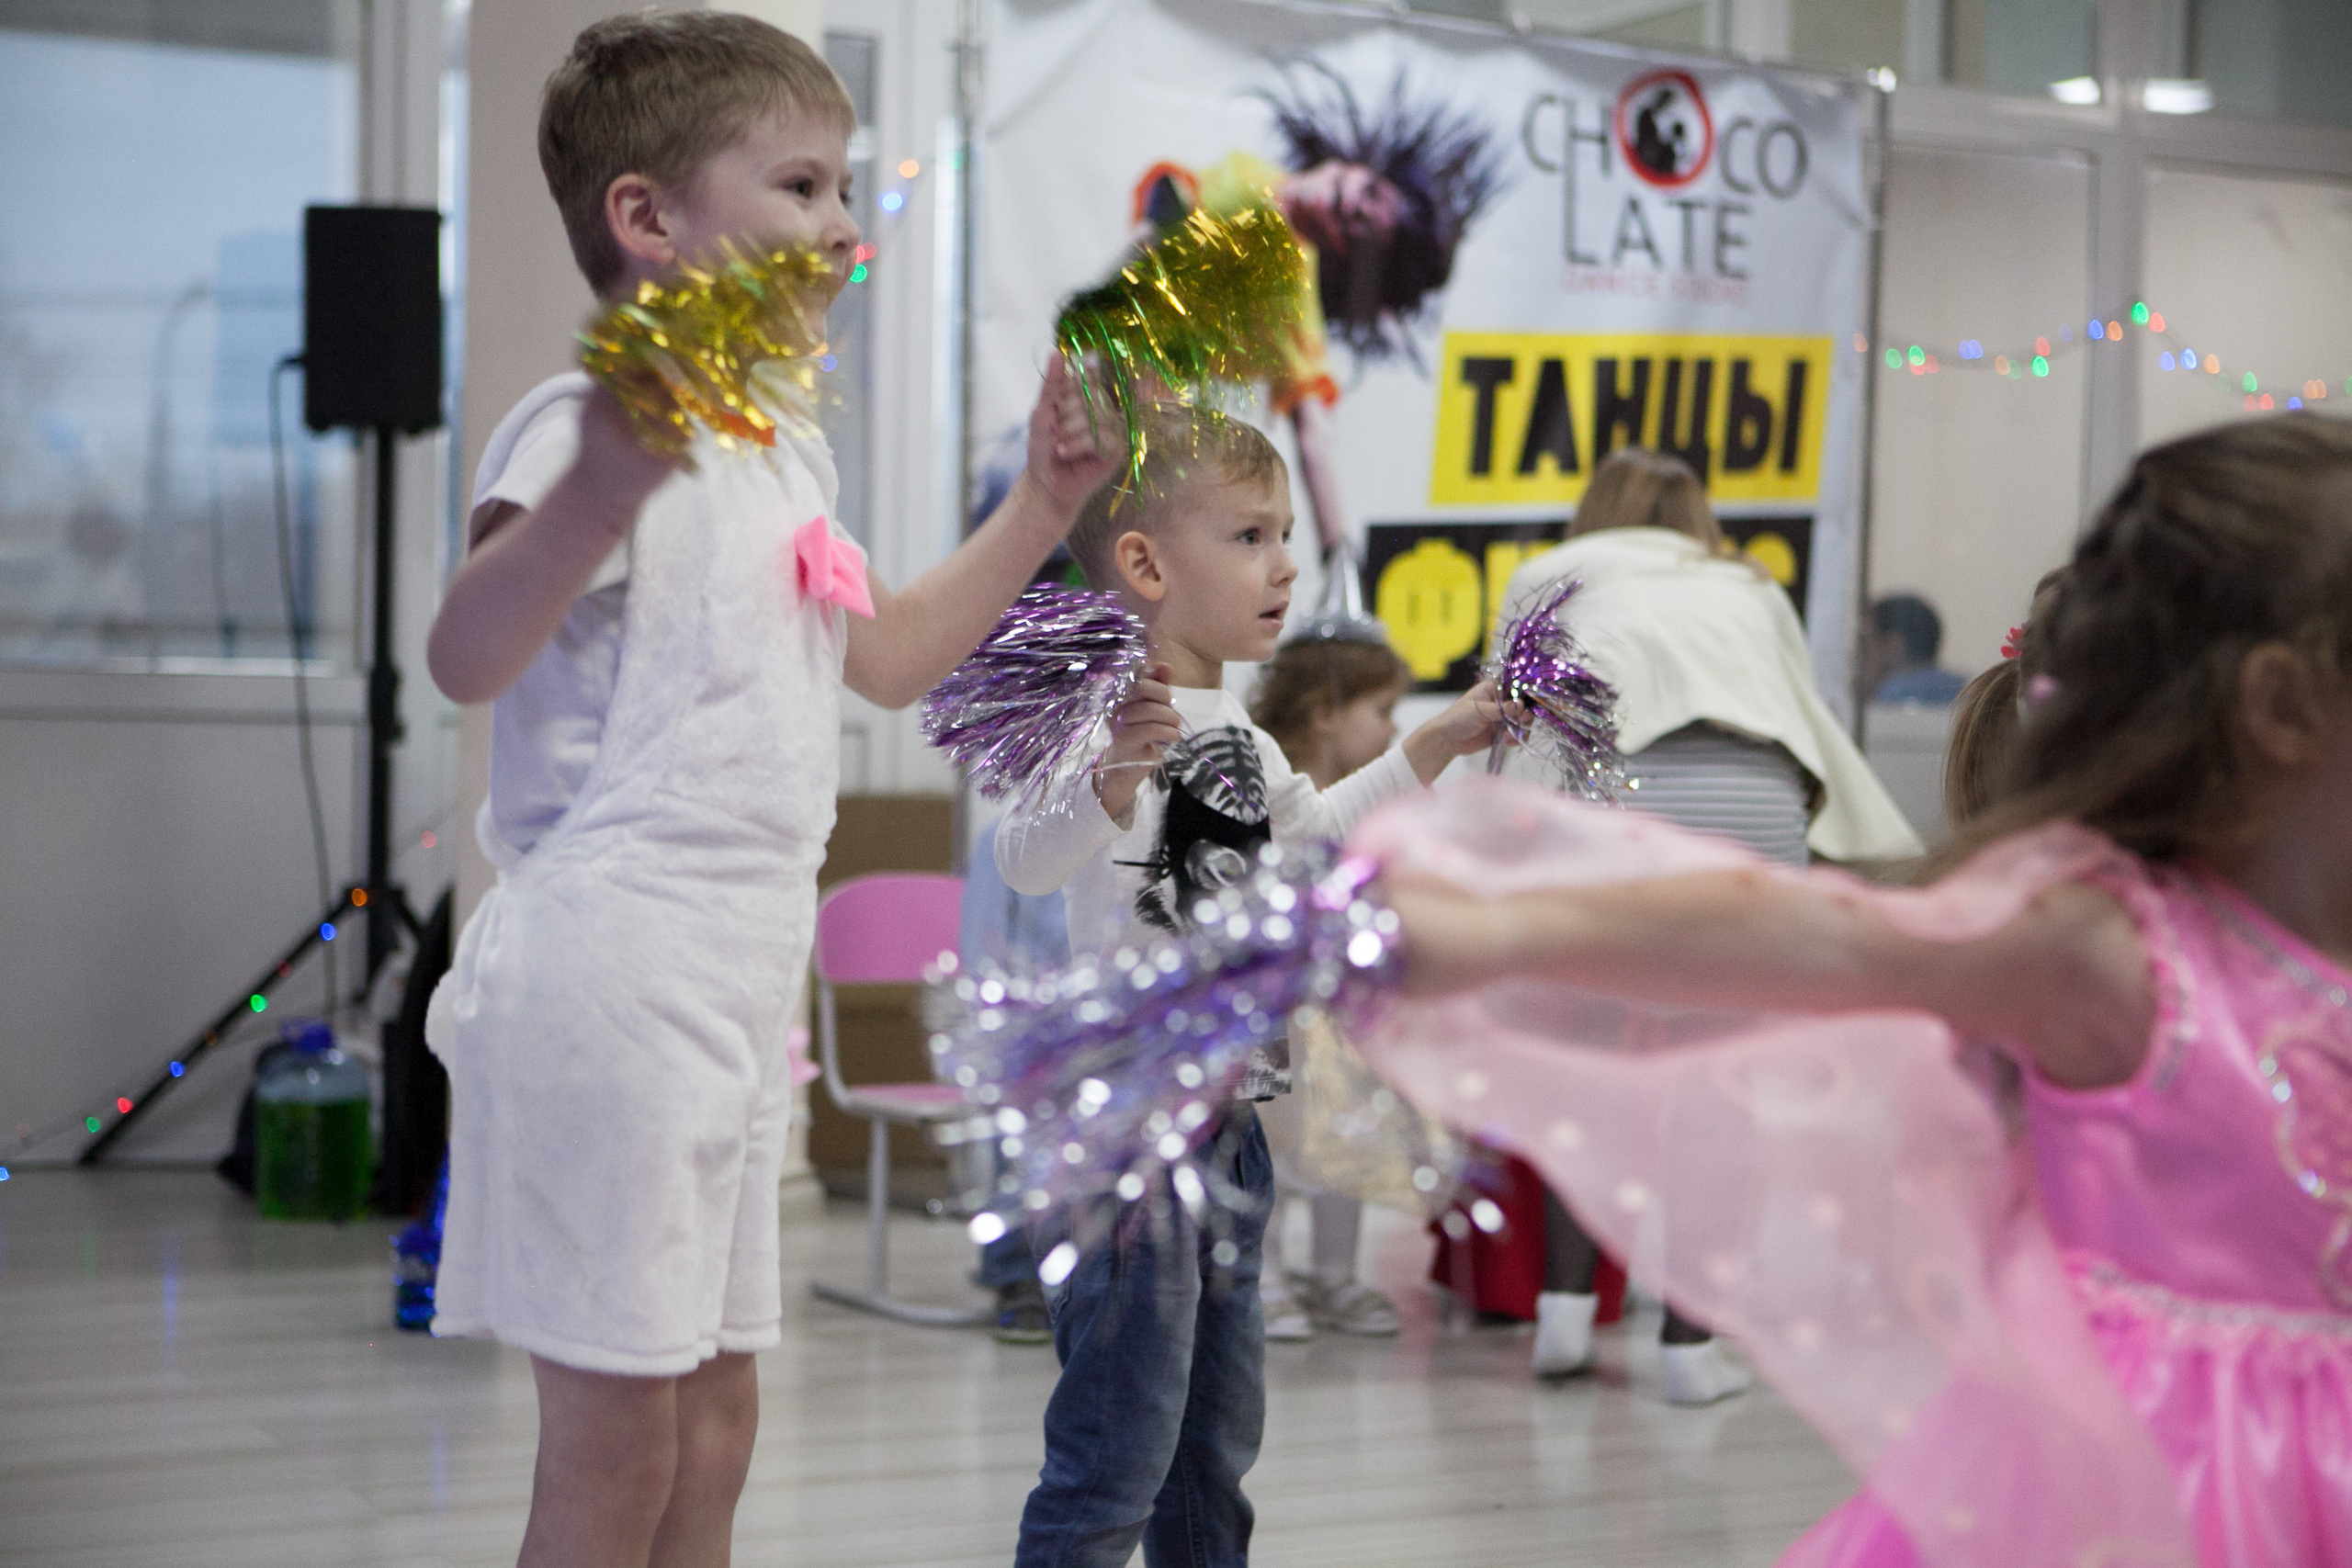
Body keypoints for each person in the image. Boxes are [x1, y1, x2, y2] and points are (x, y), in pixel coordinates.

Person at [1373, 412, 2352, 1566]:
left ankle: (1615, 1330)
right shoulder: (2111, 952)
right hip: (2134, 1491)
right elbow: (1798, 930)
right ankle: (1631, 1331)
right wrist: (1490, 927)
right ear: (2283, 704)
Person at [418, 16, 1114, 1566]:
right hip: (612, 977)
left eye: (849, 188)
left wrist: (1045, 503)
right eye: (801, 185)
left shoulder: (783, 454)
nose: (845, 225)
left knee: (717, 1428)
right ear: (649, 220)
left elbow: (880, 664)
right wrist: (598, 491)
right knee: (615, 1444)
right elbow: (466, 652)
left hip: (735, 985)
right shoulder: (573, 430)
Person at [997, 406, 1501, 1567]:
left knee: (1213, 1452)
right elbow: (1024, 859)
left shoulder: (1249, 738)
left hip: (1228, 1131)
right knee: (1113, 1454)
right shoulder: (1099, 715)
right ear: (1145, 565)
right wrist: (1107, 789)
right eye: (1250, 536)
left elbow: (1308, 842)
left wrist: (1432, 746)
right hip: (1128, 1141)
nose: (1286, 564)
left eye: (1285, 533)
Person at [1492, 447, 1922, 1404]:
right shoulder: (1744, 581)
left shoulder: (1542, 576)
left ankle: (1563, 1318)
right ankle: (1689, 1349)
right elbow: (1796, 711)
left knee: (1589, 1066)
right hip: (1751, 814)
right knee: (1720, 1086)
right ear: (1695, 519)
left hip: (1607, 813)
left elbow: (1511, 722)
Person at [1129, 64, 1499, 607]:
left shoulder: (1288, 290)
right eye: (1368, 191)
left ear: (1347, 251)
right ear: (1352, 166)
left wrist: (1340, 558)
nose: (1351, 205)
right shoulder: (1246, 172)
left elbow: (1314, 435)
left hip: (1133, 461)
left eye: (1361, 227)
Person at [1244, 634, 1420, 1338]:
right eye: (1382, 709)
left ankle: (1333, 1274)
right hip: (1267, 1008)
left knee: (1347, 1135)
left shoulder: (1370, 808)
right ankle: (1261, 1276)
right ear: (1325, 714)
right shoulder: (1272, 797)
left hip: (1342, 1007)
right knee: (1266, 1139)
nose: (1393, 729)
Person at [1865, 592, 1969, 705]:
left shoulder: (1891, 697)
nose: (1854, 658)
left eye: (1864, 645)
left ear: (1893, 645)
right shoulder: (1962, 689)